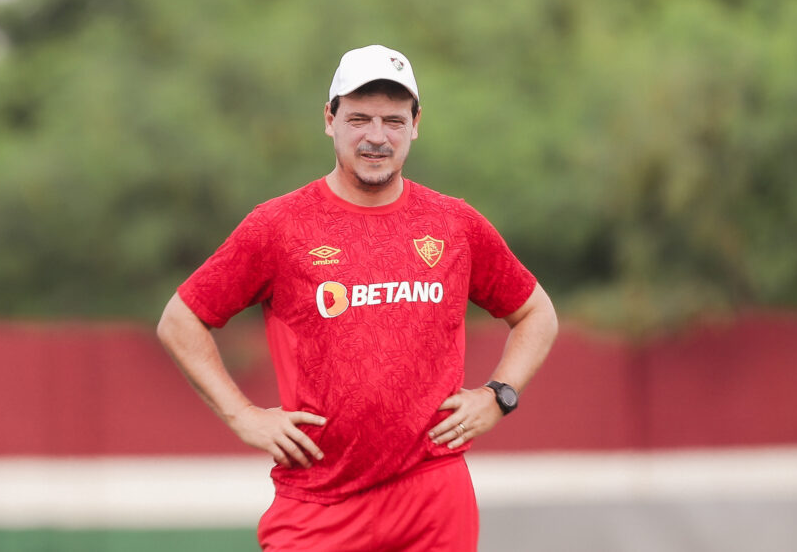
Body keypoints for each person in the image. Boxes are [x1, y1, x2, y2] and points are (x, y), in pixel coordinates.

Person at [156, 44, 558, 551]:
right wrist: (243, 415)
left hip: (433, 497)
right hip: (319, 503)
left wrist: (499, 395)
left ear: (415, 124)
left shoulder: (454, 224)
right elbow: (180, 321)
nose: (376, 137)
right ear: (330, 119)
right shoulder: (277, 226)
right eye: (359, 118)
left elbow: (535, 313)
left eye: (393, 120)